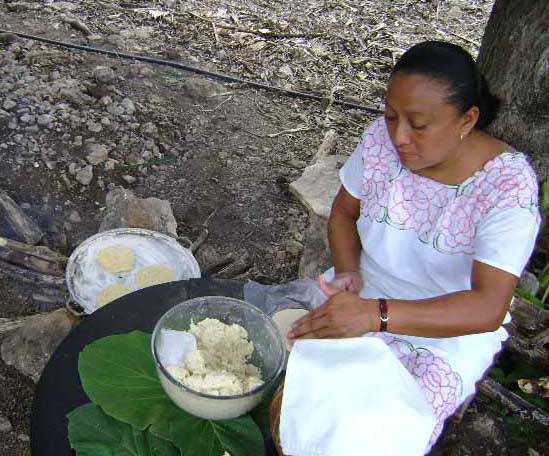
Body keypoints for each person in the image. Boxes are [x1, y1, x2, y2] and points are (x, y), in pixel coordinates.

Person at [270, 41, 541, 455]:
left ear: (467, 119)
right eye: (391, 116)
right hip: (364, 297)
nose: (398, 136)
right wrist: (348, 273)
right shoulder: (381, 141)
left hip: (447, 331)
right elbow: (343, 214)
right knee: (298, 406)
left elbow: (488, 307)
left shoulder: (506, 186)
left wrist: (375, 316)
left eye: (418, 124)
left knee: (375, 434)